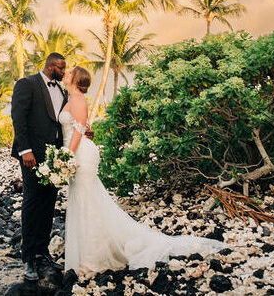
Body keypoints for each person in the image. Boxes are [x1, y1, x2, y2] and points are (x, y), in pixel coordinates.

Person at [60, 66, 224, 273]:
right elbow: (83, 126)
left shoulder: (78, 99)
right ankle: (88, 252)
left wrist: (67, 154)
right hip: (75, 151)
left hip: (79, 153)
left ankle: (93, 258)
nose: (66, 73)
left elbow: (78, 130)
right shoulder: (71, 98)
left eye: (70, 71)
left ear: (76, 78)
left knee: (87, 202)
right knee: (84, 200)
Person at [10, 52, 68, 282]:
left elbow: (60, 121)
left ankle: (43, 253)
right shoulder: (27, 84)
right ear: (52, 66)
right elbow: (18, 117)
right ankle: (29, 259)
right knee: (32, 203)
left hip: (55, 156)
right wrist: (25, 150)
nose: (64, 73)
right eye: (62, 69)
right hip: (32, 155)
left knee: (48, 203)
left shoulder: (61, 90)